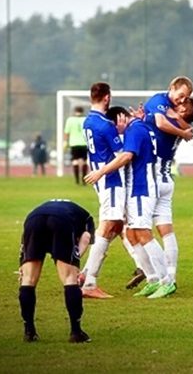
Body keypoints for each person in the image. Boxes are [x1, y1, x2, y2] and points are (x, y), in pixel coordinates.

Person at [85, 106, 176, 299]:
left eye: (115, 125)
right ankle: (152, 279)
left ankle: (166, 281)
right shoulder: (140, 128)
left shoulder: (135, 129)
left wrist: (100, 172)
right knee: (132, 234)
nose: (115, 129)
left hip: (141, 188)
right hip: (137, 187)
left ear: (121, 118)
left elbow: (126, 156)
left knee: (143, 233)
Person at [125, 98, 193, 290]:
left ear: (184, 109)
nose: (175, 104)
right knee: (166, 231)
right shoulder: (180, 127)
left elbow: (156, 125)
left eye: (182, 102)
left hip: (152, 179)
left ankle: (158, 277)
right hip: (167, 179)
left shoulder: (168, 123)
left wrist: (141, 120)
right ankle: (171, 276)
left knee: (136, 230)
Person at [18, 199, 94, 343]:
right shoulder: (87, 217)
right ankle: (76, 332)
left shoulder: (40, 208)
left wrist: (22, 264)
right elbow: (86, 237)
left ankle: (29, 332)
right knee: (69, 279)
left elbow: (24, 240)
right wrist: (74, 261)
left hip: (33, 220)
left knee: (28, 279)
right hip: (62, 222)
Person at [79, 82, 125, 299]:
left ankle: (86, 273)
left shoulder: (88, 122)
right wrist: (123, 133)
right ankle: (89, 283)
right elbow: (122, 155)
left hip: (100, 178)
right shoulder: (106, 125)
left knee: (118, 224)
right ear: (107, 97)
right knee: (108, 226)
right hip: (111, 179)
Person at [64, 105, 89, 185]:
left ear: (75, 111)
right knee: (84, 162)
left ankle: (77, 180)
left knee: (75, 161)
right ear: (82, 111)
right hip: (84, 143)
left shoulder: (70, 120)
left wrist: (65, 142)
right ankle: (84, 180)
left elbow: (66, 133)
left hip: (74, 144)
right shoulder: (86, 119)